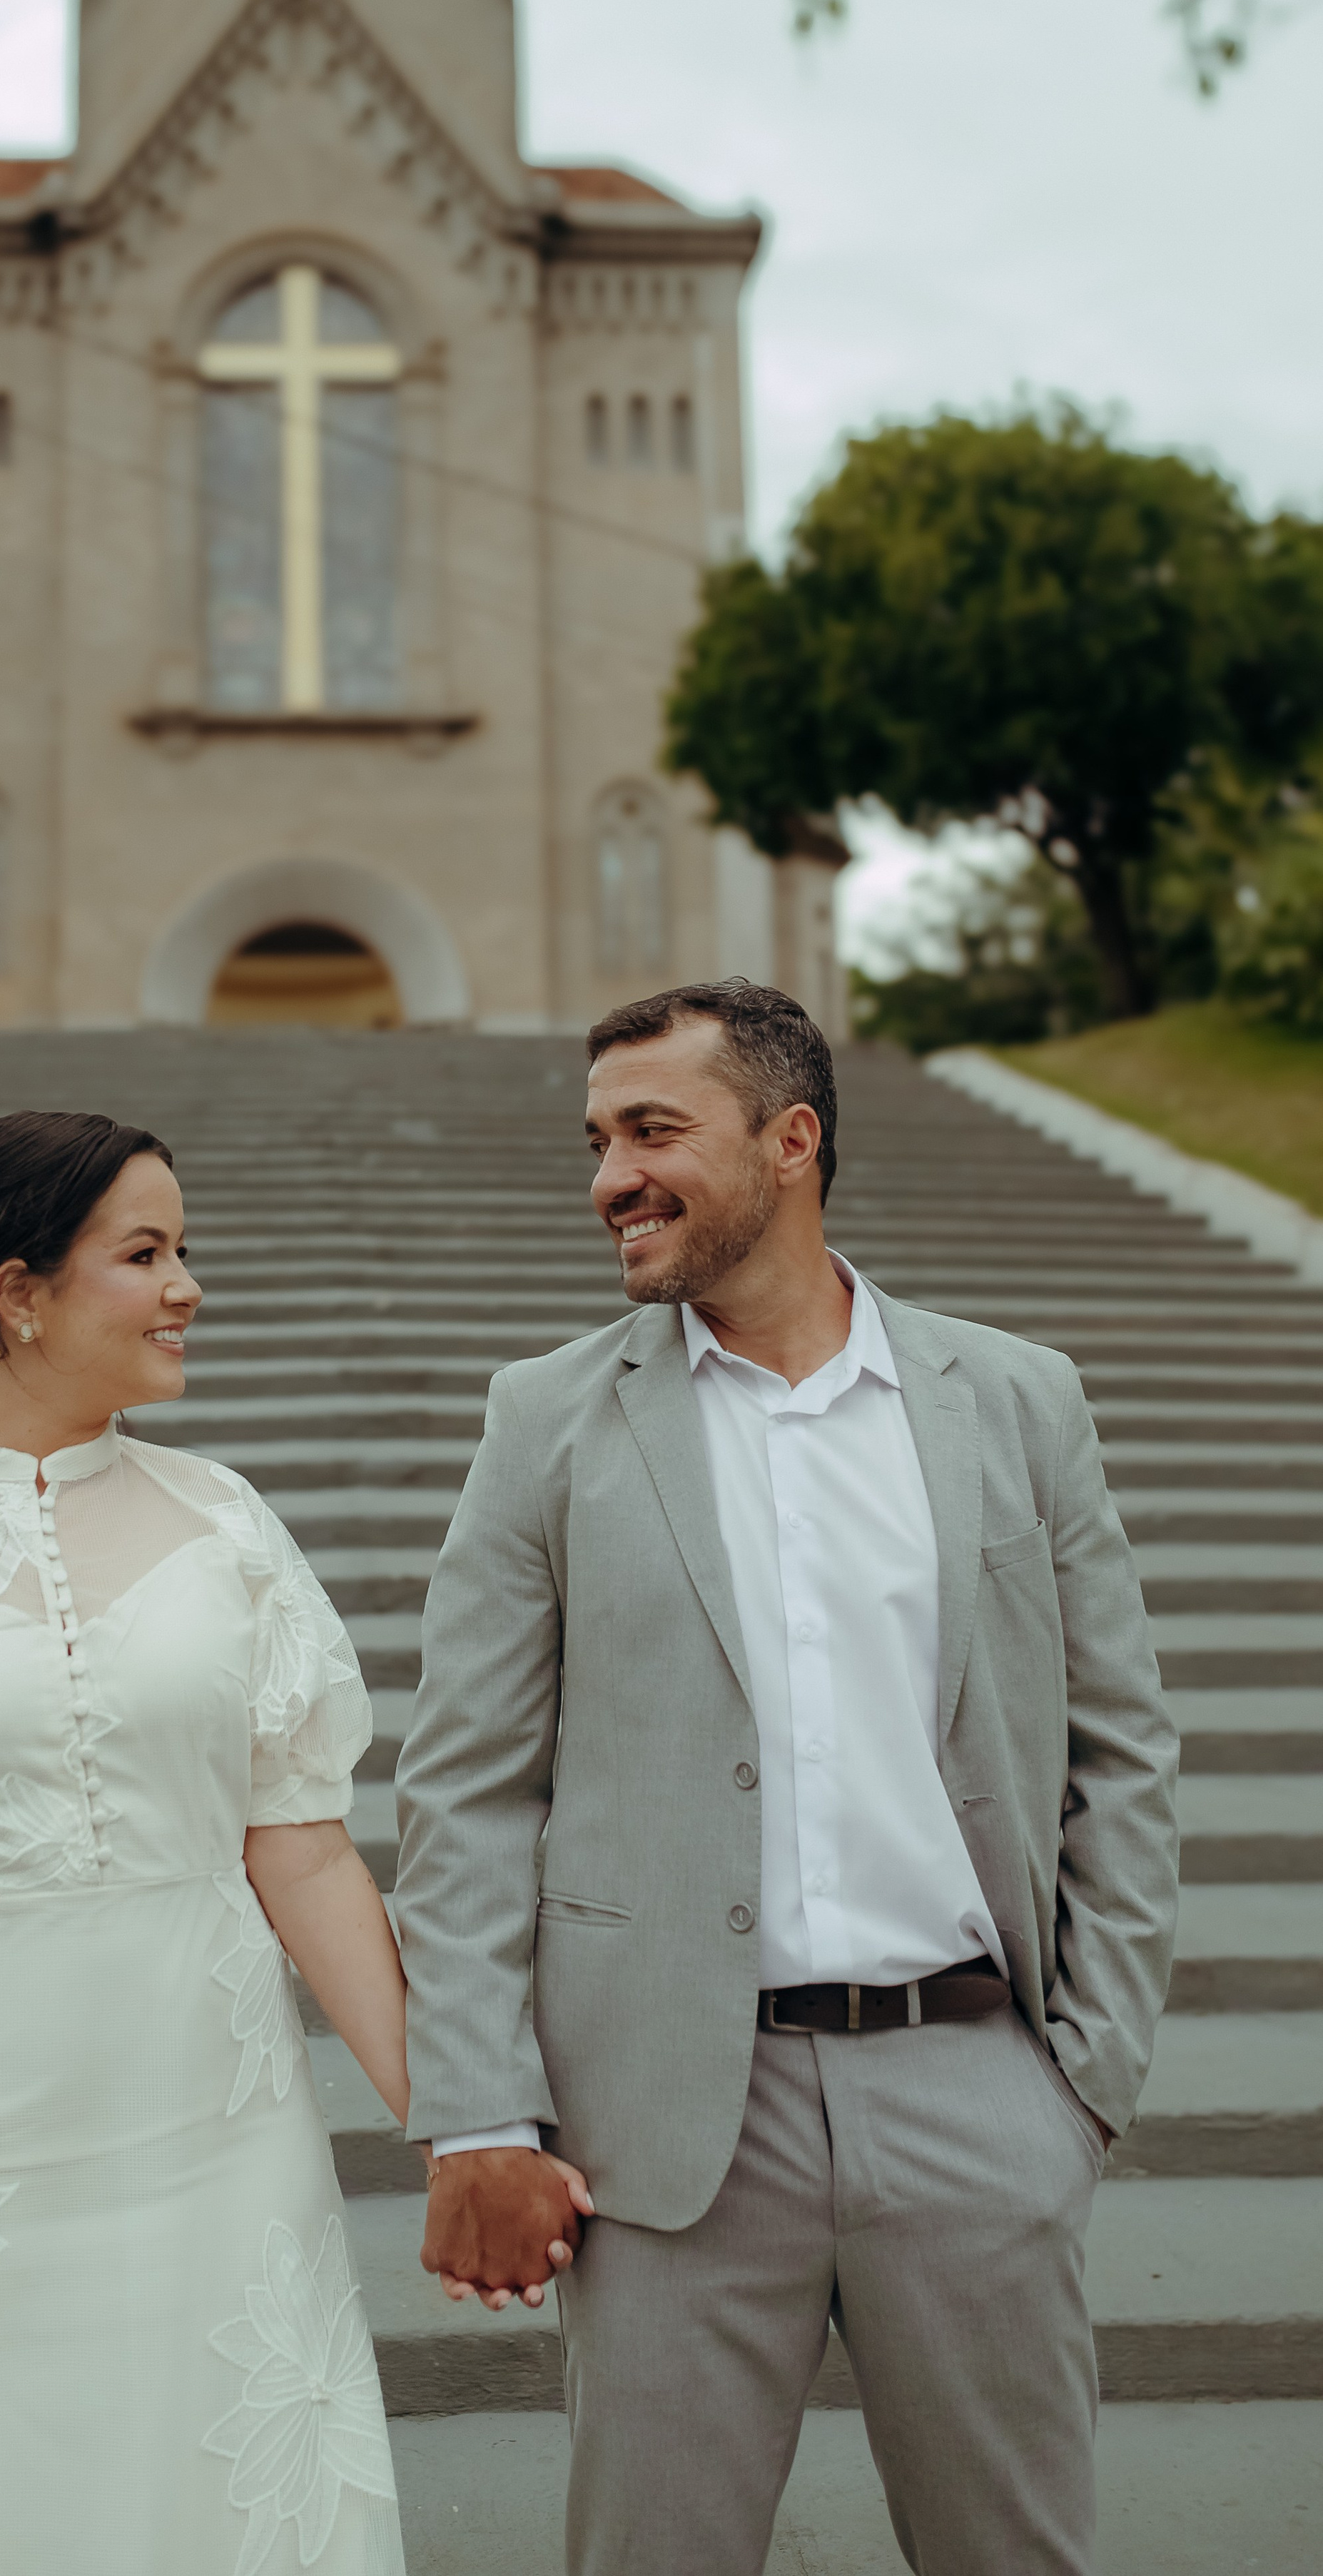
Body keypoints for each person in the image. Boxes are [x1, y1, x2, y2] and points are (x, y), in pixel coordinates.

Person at [0, 1110, 592, 2576]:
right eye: (145, 1253)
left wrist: (462, 2124)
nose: (186, 1284)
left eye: (185, 1249)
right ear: (21, 1291)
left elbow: (307, 1856)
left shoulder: (227, 1528)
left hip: (211, 2167)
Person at [394, 980, 1180, 2576]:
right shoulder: (544, 1419)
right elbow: (464, 1790)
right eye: (596, 1137)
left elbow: (1120, 1746)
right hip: (665, 2128)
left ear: (790, 1140)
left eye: (650, 1130)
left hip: (975, 2080)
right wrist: (478, 2103)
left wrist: (1080, 2080)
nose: (607, 1173)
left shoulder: (1015, 1400)